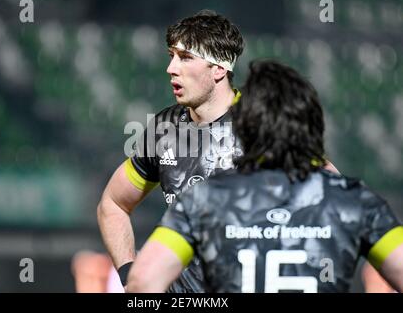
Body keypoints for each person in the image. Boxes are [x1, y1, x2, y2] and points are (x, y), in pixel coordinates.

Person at [126, 60, 403, 293]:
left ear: (244, 130)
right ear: (314, 128)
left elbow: (142, 283)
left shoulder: (205, 199)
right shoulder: (354, 201)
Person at [98, 9, 244, 293]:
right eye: (171, 56)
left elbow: (329, 202)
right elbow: (113, 205)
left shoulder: (264, 127)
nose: (171, 68)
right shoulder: (165, 127)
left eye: (186, 58)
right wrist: (131, 278)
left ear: (219, 69)